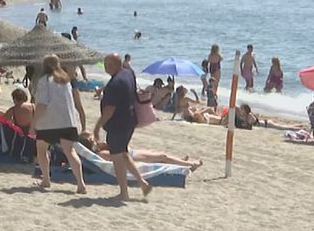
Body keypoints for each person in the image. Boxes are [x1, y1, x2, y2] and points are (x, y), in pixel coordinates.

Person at [94, 54, 152, 200]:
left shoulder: (115, 84)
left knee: (117, 158)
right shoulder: (128, 73)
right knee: (124, 154)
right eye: (105, 64)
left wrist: (97, 127)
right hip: (130, 120)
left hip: (118, 125)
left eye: (108, 64)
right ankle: (143, 183)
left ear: (116, 64)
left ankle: (123, 193)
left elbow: (109, 111)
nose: (106, 67)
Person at [31, 55, 86, 194]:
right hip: (67, 121)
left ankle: (46, 180)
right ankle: (80, 184)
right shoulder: (66, 81)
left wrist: (34, 122)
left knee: (42, 149)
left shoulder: (44, 81)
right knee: (70, 152)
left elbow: (42, 104)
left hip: (48, 122)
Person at [78, 131, 203, 171]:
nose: (95, 138)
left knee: (158, 153)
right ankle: (190, 165)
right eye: (91, 138)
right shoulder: (101, 153)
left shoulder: (100, 150)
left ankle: (180, 161)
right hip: (132, 157)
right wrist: (107, 145)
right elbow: (118, 156)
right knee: (162, 156)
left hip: (132, 153)